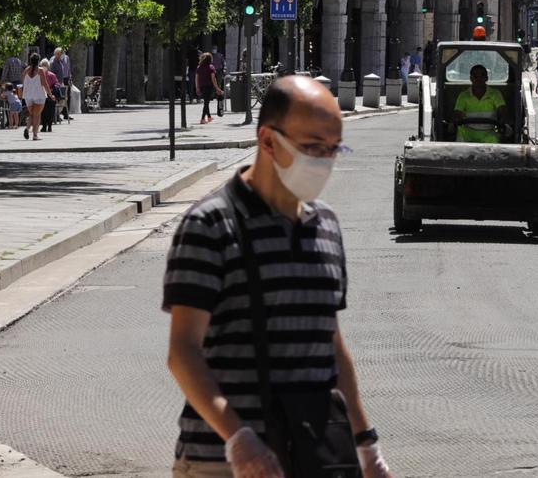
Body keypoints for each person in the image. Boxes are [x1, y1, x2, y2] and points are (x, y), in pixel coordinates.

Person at [164, 76, 393, 478]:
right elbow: (183, 351)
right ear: (268, 141)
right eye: (311, 148)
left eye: (332, 149)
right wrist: (237, 438)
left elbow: (331, 346)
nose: (323, 160)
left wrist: (366, 443)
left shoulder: (326, 226)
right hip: (221, 462)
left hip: (312, 455)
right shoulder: (210, 225)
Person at [452, 64, 508, 144]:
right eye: (475, 76)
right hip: (467, 133)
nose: (479, 79)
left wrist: (502, 121)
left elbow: (502, 111)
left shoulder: (495, 94)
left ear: (487, 78)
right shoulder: (464, 96)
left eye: (482, 76)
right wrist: (456, 119)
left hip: (489, 133)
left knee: (494, 140)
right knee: (460, 136)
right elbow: (457, 113)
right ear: (471, 78)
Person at [21, 53, 52, 140]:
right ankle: (35, 135)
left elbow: (22, 81)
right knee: (37, 115)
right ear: (38, 61)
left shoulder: (26, 70)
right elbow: (44, 84)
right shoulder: (40, 70)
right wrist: (50, 94)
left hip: (28, 95)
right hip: (39, 95)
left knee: (32, 114)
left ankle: (27, 128)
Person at [195, 52, 222, 125]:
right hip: (209, 86)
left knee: (206, 101)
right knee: (206, 103)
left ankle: (209, 117)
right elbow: (213, 79)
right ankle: (202, 119)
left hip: (201, 86)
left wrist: (197, 87)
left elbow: (197, 78)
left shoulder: (199, 67)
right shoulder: (211, 67)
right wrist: (217, 88)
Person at [50, 47, 73, 120]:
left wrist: (69, 77)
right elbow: (52, 74)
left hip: (62, 81)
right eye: (60, 54)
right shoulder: (53, 62)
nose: (61, 56)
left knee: (64, 98)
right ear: (56, 54)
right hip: (56, 84)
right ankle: (56, 115)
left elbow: (68, 68)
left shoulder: (62, 60)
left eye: (61, 54)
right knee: (59, 99)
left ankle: (59, 114)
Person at [38, 59, 60, 133]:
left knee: (50, 110)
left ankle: (49, 126)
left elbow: (57, 84)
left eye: (45, 65)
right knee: (43, 110)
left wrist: (52, 89)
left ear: (48, 66)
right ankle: (44, 126)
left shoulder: (52, 75)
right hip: (42, 94)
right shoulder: (38, 75)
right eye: (42, 65)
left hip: (50, 94)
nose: (44, 67)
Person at [211, 47, 226, 117]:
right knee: (215, 84)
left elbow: (223, 63)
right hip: (215, 71)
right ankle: (215, 95)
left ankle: (216, 95)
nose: (214, 50)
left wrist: (224, 70)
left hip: (217, 71)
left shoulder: (218, 55)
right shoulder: (212, 56)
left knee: (217, 84)